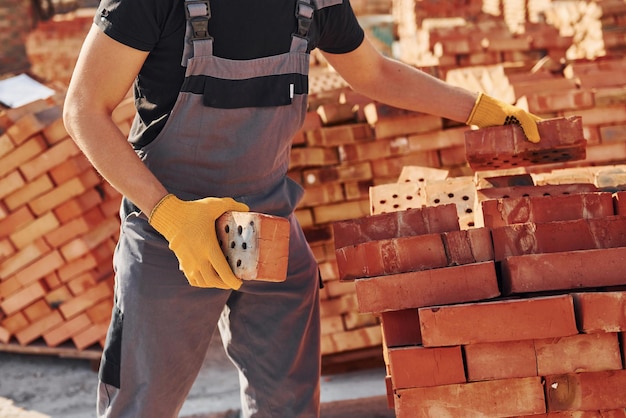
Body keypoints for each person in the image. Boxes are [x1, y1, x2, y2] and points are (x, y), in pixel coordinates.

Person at [62, 0, 541, 416]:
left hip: (271, 231)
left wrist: (478, 108)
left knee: (288, 406)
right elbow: (82, 107)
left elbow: (372, 72)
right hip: (175, 237)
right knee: (140, 406)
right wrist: (167, 214)